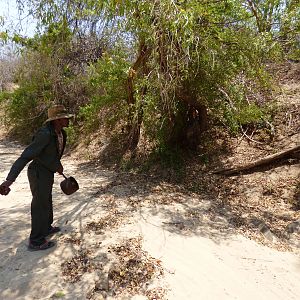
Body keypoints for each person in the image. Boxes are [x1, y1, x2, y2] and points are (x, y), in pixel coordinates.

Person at [0, 104, 74, 251]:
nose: (68, 120)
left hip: (47, 172)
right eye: (65, 117)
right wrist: (9, 180)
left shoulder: (61, 134)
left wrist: (56, 166)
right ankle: (35, 241)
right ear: (57, 120)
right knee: (39, 204)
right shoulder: (44, 134)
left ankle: (46, 228)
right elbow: (26, 156)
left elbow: (50, 154)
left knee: (46, 200)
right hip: (38, 173)